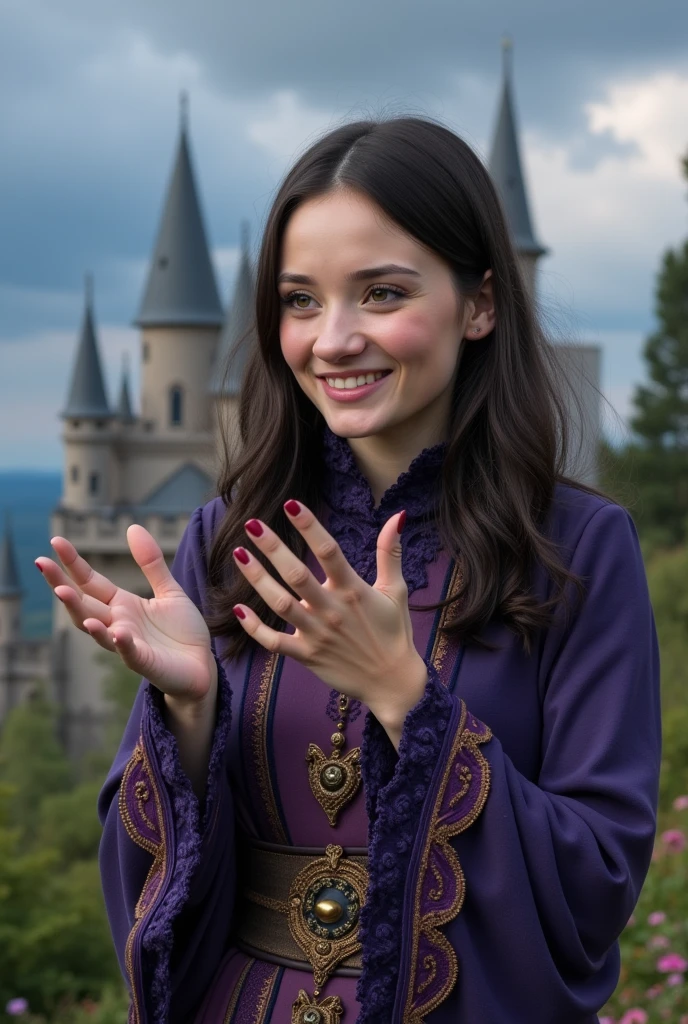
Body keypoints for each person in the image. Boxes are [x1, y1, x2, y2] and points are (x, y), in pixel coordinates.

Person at [37, 117, 661, 1024]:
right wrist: (191, 710)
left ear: (480, 304)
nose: (332, 340)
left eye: (380, 293)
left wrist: (407, 697)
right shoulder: (223, 541)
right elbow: (144, 892)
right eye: (299, 301)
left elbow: (597, 882)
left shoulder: (578, 549)